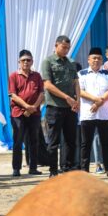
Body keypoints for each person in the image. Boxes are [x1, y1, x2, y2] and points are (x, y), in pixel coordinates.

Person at [42, 35, 80, 177]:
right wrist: (67, 98)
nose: (66, 50)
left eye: (68, 48)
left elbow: (76, 82)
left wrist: (78, 101)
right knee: (54, 141)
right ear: (56, 45)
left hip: (70, 108)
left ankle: (69, 169)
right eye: (63, 47)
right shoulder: (48, 62)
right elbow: (47, 85)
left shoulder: (71, 62)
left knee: (71, 140)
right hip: (55, 107)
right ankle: (53, 171)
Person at [78, 47, 108, 175]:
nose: (96, 60)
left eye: (99, 58)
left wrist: (99, 103)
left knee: (106, 143)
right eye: (94, 58)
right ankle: (84, 170)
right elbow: (80, 91)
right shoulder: (82, 74)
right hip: (87, 114)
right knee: (85, 143)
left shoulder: (107, 73)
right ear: (88, 60)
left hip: (104, 114)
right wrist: (96, 100)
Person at [9, 50, 44, 177]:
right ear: (19, 62)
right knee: (18, 141)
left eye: (28, 60)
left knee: (34, 141)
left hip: (34, 113)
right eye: (23, 60)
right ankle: (16, 169)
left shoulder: (37, 76)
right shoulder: (13, 76)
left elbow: (41, 93)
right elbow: (13, 95)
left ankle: (33, 167)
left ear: (32, 61)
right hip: (18, 113)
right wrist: (27, 107)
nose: (26, 62)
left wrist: (33, 107)